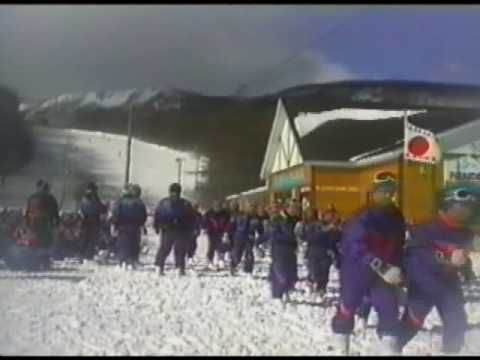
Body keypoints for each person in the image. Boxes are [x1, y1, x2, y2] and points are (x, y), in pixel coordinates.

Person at [395, 183, 479, 355]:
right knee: (413, 322)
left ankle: (451, 352)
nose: (467, 212)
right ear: (449, 205)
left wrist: (466, 269)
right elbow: (417, 255)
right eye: (463, 207)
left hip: (448, 284)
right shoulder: (424, 228)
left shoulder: (465, 233)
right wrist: (447, 258)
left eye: (471, 208)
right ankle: (390, 348)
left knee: (456, 322)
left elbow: (465, 253)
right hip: (424, 283)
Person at [331, 172, 405, 355]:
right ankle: (342, 347)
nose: (388, 195)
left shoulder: (397, 217)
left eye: (391, 191)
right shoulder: (363, 216)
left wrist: (401, 270)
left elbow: (399, 246)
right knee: (348, 307)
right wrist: (378, 264)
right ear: (374, 192)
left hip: (384, 275)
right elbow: (353, 245)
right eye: (383, 191)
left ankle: (390, 348)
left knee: (389, 310)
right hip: (356, 272)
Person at [154, 183, 195, 276]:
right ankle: (176, 268)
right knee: (175, 249)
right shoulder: (184, 203)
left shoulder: (164, 202)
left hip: (173, 229)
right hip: (177, 229)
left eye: (175, 192)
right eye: (174, 192)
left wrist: (157, 226)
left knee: (169, 249)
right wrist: (191, 229)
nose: (175, 194)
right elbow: (192, 217)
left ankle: (163, 267)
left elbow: (157, 215)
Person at [264, 200, 300, 306]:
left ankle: (286, 291)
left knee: (291, 272)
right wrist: (290, 237)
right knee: (281, 272)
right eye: (293, 207)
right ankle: (277, 294)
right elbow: (274, 235)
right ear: (287, 207)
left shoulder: (295, 220)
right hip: (279, 248)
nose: (295, 210)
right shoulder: (277, 219)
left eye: (296, 208)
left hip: (291, 249)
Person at [302, 208, 338, 301]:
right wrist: (324, 230)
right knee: (315, 272)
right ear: (324, 216)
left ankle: (321, 290)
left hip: (326, 254)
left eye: (333, 216)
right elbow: (310, 238)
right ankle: (310, 282)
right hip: (314, 252)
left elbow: (335, 242)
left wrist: (336, 254)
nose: (331, 218)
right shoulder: (315, 225)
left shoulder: (334, 228)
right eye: (329, 215)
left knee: (324, 273)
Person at [111, 183, 147, 270]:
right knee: (134, 244)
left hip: (122, 226)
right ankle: (132, 261)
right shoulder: (139, 201)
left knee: (123, 244)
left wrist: (114, 225)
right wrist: (142, 225)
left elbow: (115, 213)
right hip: (135, 226)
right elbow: (143, 214)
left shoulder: (119, 201)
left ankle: (122, 261)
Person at [228, 202, 263, 276]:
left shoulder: (257, 218)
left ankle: (248, 270)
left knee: (249, 255)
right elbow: (232, 226)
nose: (253, 209)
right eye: (251, 207)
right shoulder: (240, 215)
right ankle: (233, 265)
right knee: (237, 255)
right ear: (248, 208)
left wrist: (261, 239)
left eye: (254, 208)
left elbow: (260, 230)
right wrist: (229, 236)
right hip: (239, 238)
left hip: (249, 239)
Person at [79, 182, 107, 262]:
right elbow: (99, 207)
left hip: (86, 220)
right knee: (91, 238)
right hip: (93, 220)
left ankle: (83, 254)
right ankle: (88, 255)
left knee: (86, 238)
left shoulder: (84, 198)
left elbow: (82, 208)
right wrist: (104, 208)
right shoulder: (93, 197)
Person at [203, 200, 231, 270]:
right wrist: (205, 228)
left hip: (221, 232)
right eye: (216, 206)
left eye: (219, 207)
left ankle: (221, 260)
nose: (217, 208)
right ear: (213, 206)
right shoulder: (209, 213)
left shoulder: (225, 213)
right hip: (211, 232)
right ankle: (210, 261)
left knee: (221, 246)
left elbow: (228, 223)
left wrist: (226, 231)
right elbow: (204, 221)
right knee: (212, 246)